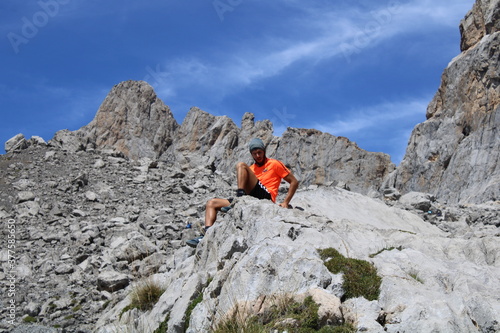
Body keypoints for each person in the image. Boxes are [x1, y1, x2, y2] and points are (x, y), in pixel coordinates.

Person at [186, 138, 299, 247]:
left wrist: (286, 202)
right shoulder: (251, 168)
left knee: (241, 165)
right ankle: (206, 236)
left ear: (264, 151)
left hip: (266, 196)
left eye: (260, 152)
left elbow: (294, 182)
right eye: (254, 153)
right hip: (250, 197)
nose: (258, 156)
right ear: (251, 154)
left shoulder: (274, 164)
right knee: (212, 203)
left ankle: (239, 199)